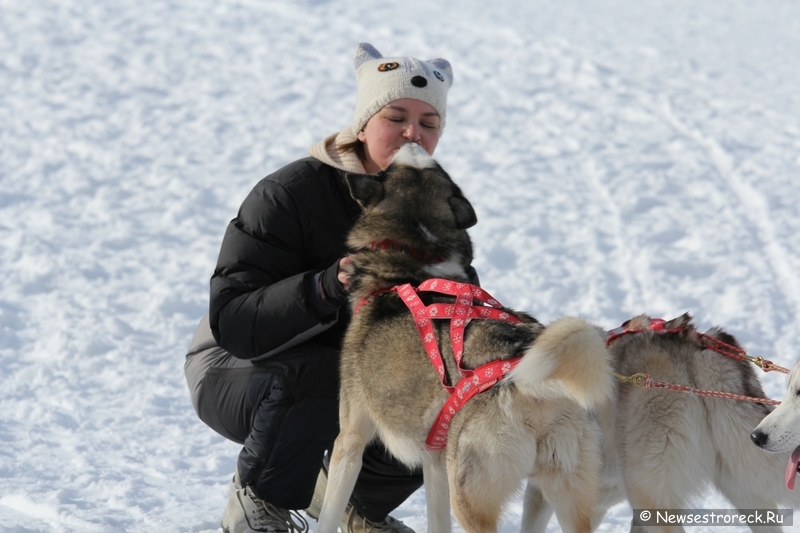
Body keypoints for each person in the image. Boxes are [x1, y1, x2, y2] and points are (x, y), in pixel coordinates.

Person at [184, 42, 476, 533]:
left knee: (439, 387)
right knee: (327, 371)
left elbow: (456, 320)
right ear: (363, 123)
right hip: (235, 369)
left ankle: (355, 506)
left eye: (429, 123)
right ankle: (260, 503)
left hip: (349, 369)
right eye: (396, 116)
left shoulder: (432, 204)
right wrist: (323, 287)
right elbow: (233, 320)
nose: (412, 133)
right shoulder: (290, 193)